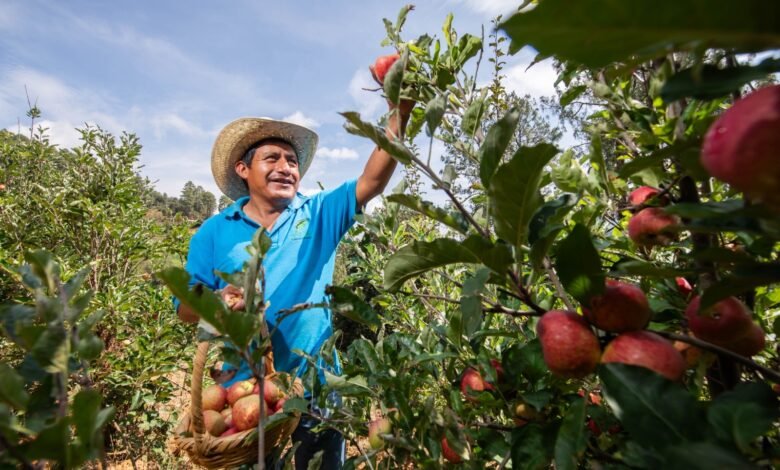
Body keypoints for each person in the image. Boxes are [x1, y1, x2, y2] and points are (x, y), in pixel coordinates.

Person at [175, 97, 411, 468]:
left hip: (317, 385)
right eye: (272, 158)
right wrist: (217, 300)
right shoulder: (214, 232)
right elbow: (186, 308)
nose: (285, 168)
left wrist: (400, 113)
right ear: (243, 169)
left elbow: (372, 180)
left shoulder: (318, 213)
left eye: (292, 161)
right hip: (247, 392)